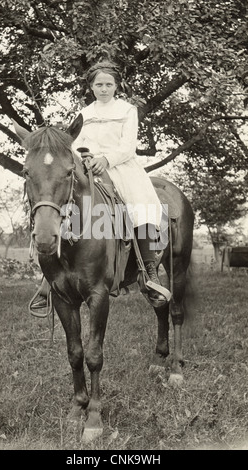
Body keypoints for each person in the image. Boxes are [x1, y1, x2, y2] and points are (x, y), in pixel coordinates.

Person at [31, 60, 171, 313]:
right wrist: (84, 160)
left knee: (140, 204)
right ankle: (51, 277)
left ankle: (148, 270)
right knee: (67, 205)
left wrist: (106, 160)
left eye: (109, 84)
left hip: (120, 166)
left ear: (117, 86)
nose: (104, 89)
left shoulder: (127, 110)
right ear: (91, 87)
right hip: (89, 167)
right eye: (99, 84)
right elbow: (74, 143)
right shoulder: (85, 113)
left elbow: (128, 146)